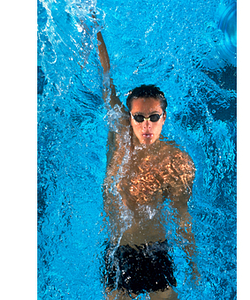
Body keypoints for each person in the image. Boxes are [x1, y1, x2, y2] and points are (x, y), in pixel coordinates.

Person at [96, 29, 199, 300]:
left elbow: (182, 215)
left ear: (164, 117)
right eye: (139, 117)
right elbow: (106, 79)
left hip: (154, 249)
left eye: (154, 117)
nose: (146, 125)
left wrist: (193, 262)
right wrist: (93, 30)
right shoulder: (119, 136)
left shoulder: (177, 162)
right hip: (117, 249)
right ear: (128, 117)